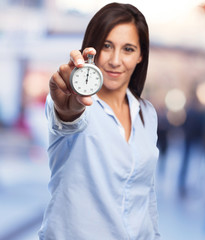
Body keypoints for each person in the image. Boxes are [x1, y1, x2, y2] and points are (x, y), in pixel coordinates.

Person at [39, 3, 160, 240]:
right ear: (91, 48)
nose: (115, 60)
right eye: (107, 46)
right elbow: (68, 118)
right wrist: (69, 107)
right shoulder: (75, 104)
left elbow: (146, 194)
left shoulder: (147, 113)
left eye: (128, 49)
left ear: (140, 55)